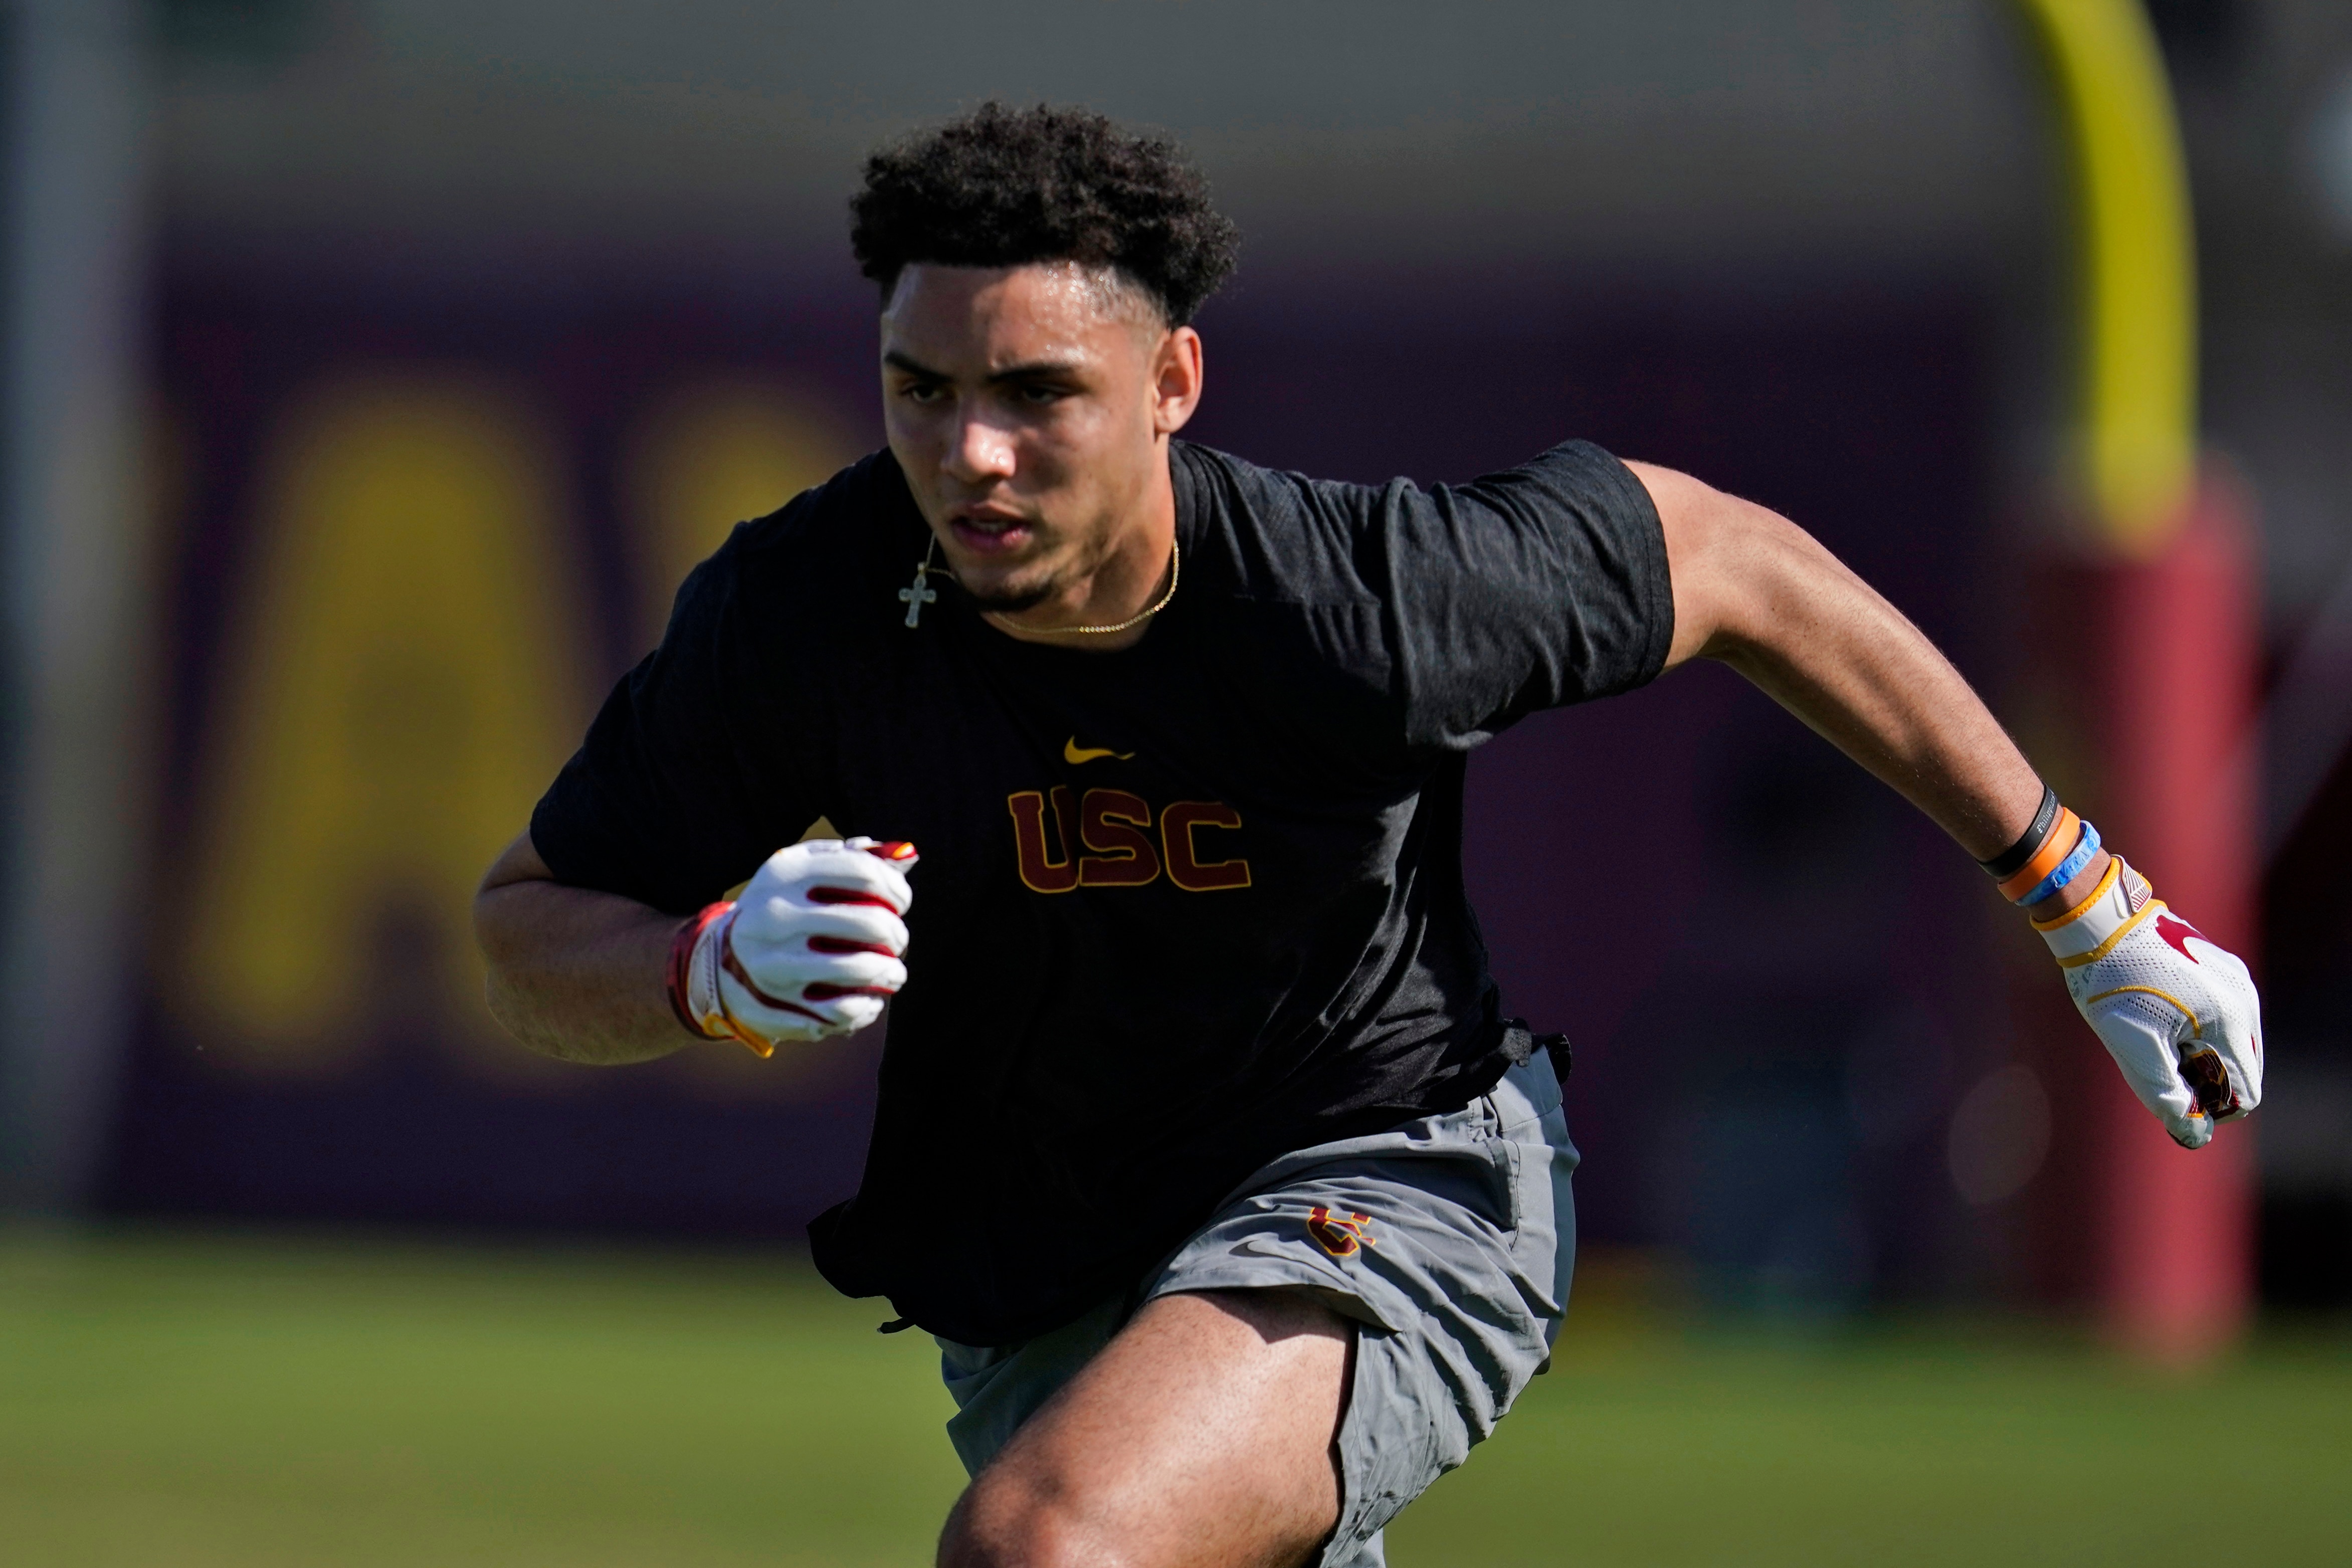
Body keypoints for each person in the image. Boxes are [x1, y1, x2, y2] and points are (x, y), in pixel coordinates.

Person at [472, 102, 2264, 1568]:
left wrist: (2092, 906)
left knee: (1050, 1552)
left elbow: (1739, 563)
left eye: (1038, 393)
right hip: (1050, 1265)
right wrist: (699, 969)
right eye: (921, 390)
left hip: (1396, 1173)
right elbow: (529, 932)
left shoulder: (1368, 601)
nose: (973, 455)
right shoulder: (807, 606)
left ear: (1172, 381)